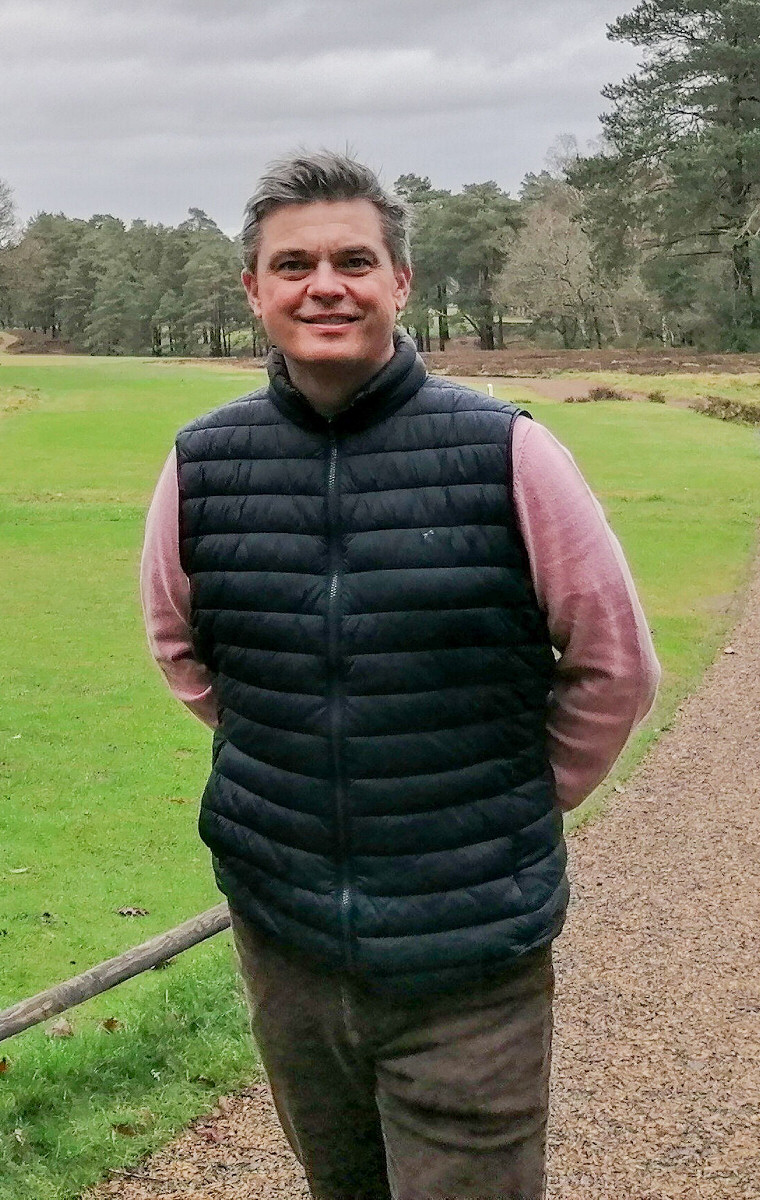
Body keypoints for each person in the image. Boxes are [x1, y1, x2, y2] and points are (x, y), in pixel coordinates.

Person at [140, 151, 659, 1199]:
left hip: (467, 948)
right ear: (254, 291)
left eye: (353, 261)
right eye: (293, 265)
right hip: (285, 932)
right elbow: (180, 647)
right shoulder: (202, 461)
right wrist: (298, 756)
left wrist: (507, 795)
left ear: (400, 282)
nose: (323, 286)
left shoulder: (509, 452)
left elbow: (613, 667)